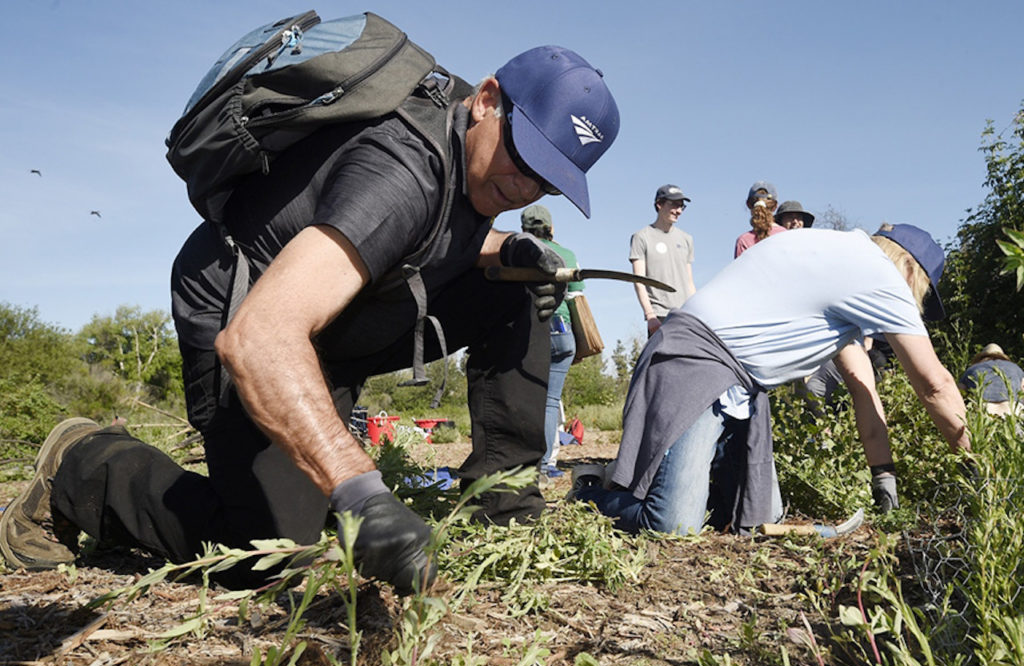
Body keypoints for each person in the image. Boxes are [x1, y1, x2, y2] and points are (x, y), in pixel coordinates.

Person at [0, 46, 620, 594]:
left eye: (549, 179)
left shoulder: (469, 154)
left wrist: (506, 249)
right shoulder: (400, 171)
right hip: (247, 317)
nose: (524, 186)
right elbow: (259, 337)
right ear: (486, 100)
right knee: (267, 555)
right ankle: (86, 462)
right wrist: (360, 492)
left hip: (338, 320)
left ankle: (502, 505)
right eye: (523, 156)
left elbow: (420, 241)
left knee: (520, 283)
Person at [571, 223, 970, 535]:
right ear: (909, 270)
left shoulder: (840, 267)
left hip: (738, 382)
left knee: (755, 514)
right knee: (671, 525)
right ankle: (589, 492)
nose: (911, 305)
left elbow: (864, 390)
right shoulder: (880, 275)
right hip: (695, 361)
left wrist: (884, 481)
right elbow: (935, 385)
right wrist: (976, 468)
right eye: (917, 294)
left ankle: (667, 478)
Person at [520, 205, 582, 481]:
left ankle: (527, 463)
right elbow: (576, 298)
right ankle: (546, 464)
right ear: (551, 228)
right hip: (563, 334)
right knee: (549, 401)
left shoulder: (519, 252)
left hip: (530, 335)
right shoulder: (566, 254)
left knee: (524, 399)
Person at [629, 184, 696, 337]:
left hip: (686, 314)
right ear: (659, 204)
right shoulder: (641, 237)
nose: (678, 211)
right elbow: (638, 281)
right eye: (674, 205)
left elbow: (689, 281)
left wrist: (695, 310)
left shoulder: (687, 239)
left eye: (681, 206)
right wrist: (650, 315)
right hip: (660, 315)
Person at [959, 343, 1024, 417]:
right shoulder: (1015, 368)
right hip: (1013, 410)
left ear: (981, 358)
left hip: (983, 411)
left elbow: (959, 394)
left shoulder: (972, 369)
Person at [734, 181, 785, 257]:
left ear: (748, 204)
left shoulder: (743, 241)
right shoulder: (786, 235)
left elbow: (741, 268)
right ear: (775, 206)